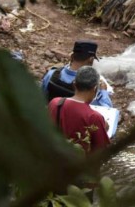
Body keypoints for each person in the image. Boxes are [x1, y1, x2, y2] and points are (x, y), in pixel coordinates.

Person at [48, 66, 110, 201]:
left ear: (74, 84)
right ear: (95, 88)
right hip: (81, 178)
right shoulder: (94, 117)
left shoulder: (55, 103)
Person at [41, 40, 112, 107]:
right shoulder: (91, 85)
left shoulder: (51, 74)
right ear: (91, 60)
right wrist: (103, 91)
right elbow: (107, 111)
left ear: (72, 56)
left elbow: (41, 98)